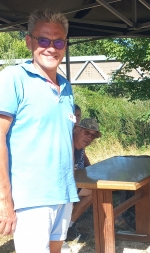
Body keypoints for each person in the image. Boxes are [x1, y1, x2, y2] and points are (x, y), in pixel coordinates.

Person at [0, 9, 79, 252]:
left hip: (63, 193)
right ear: (28, 42)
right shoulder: (13, 78)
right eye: (43, 40)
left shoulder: (65, 86)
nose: (51, 48)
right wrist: (4, 200)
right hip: (31, 198)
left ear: (65, 45)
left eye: (58, 42)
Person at [67, 118, 101, 240]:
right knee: (94, 191)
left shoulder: (80, 147)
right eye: (87, 133)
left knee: (96, 190)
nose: (89, 138)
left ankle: (68, 227)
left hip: (73, 182)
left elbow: (85, 163)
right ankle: (64, 229)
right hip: (61, 185)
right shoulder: (67, 144)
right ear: (77, 129)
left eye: (93, 136)